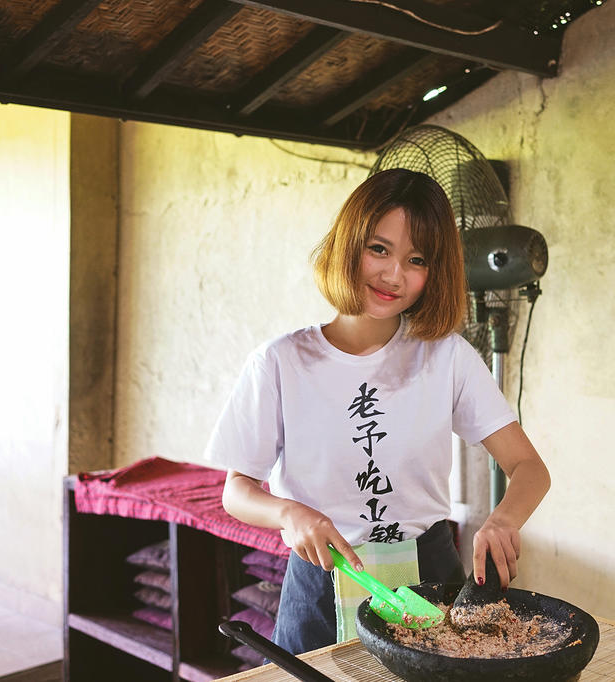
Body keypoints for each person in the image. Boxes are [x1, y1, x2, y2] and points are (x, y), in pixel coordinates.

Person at [204, 168, 550, 655]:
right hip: (321, 581)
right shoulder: (279, 361)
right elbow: (236, 492)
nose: (394, 275)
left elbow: (530, 468)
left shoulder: (445, 356)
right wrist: (289, 513)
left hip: (431, 577)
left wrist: (503, 521)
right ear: (349, 245)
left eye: (417, 259)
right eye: (379, 249)